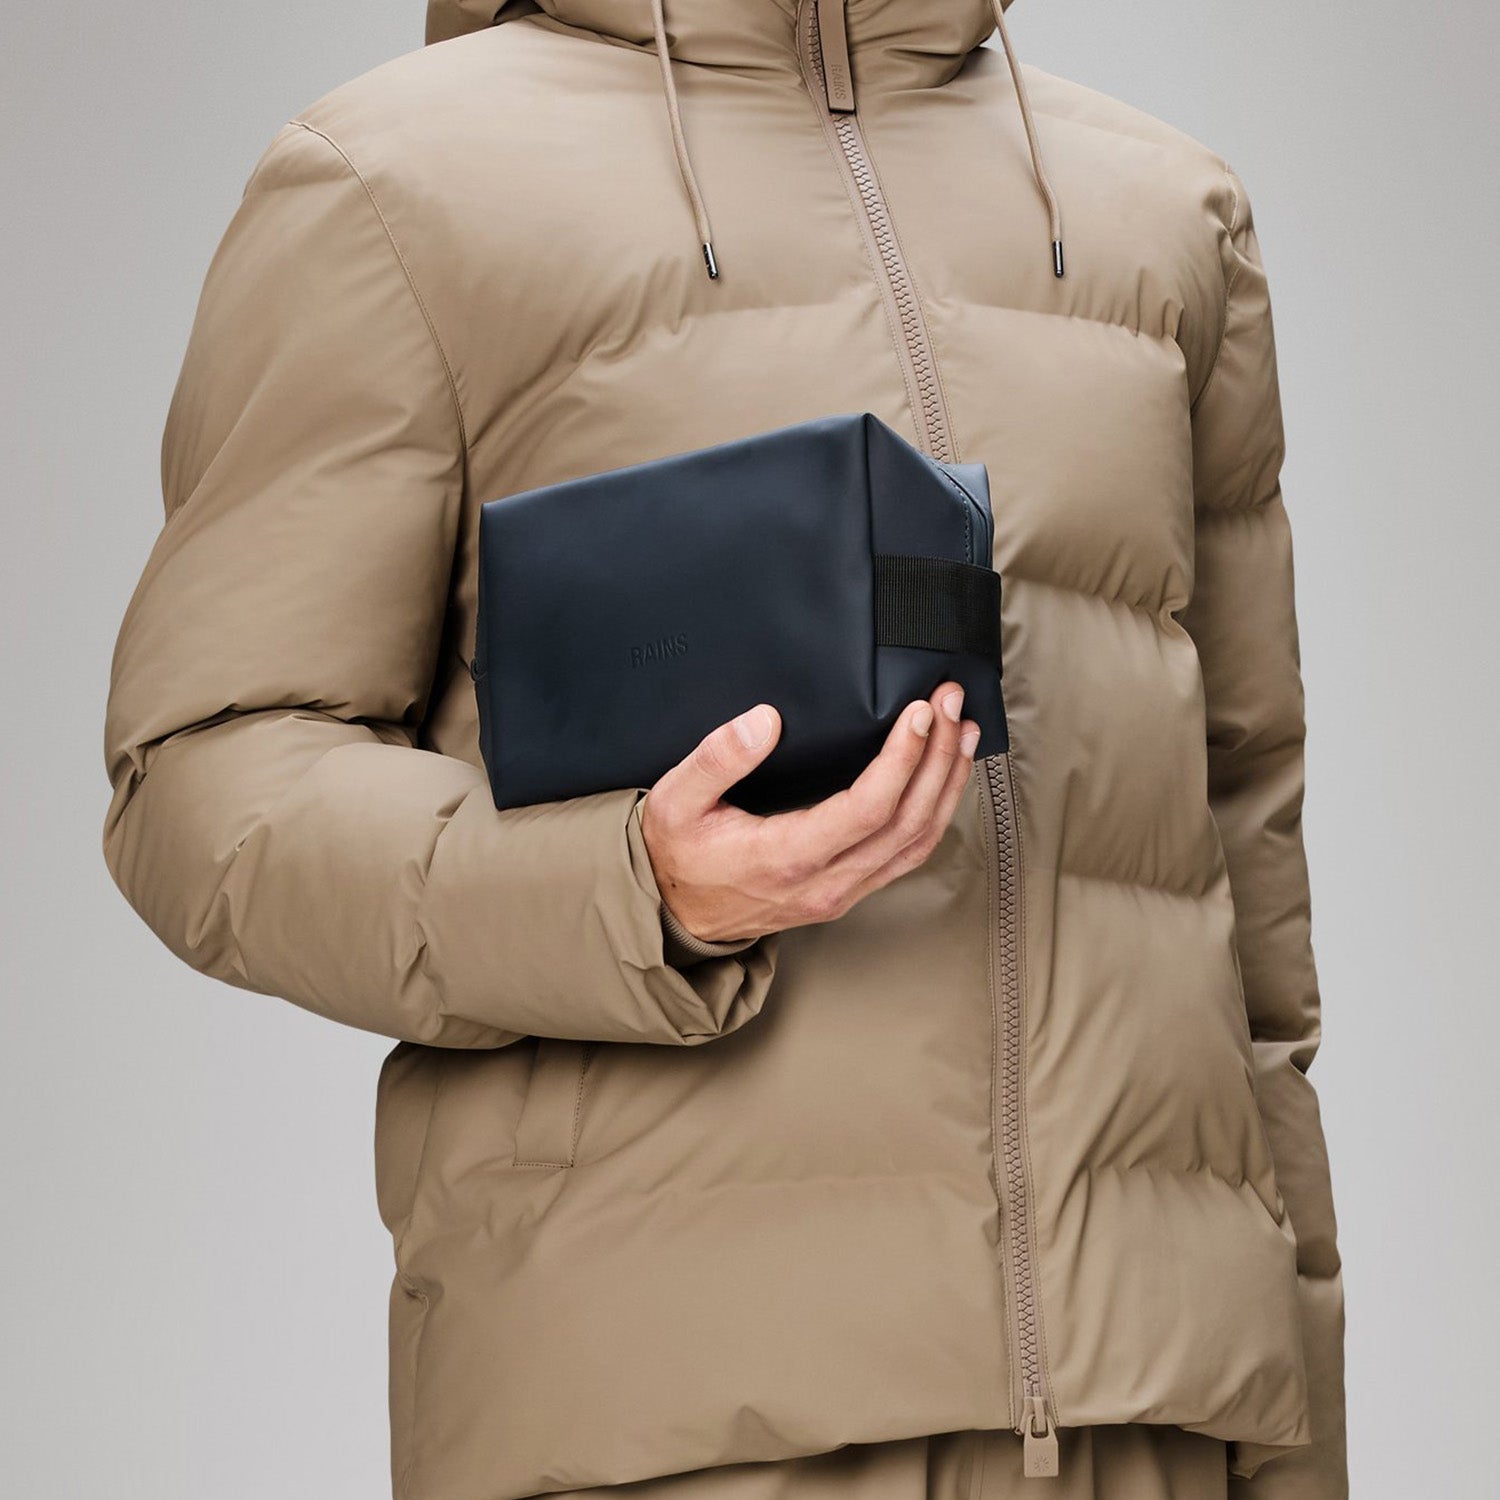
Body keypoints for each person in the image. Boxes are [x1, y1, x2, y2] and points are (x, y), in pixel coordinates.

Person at [102, 1, 1347, 1497]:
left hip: (1143, 1414)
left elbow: (1248, 900)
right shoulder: (395, 184)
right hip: (668, 1418)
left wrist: (1296, 1448)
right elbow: (203, 777)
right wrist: (629, 895)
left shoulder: (1165, 214)